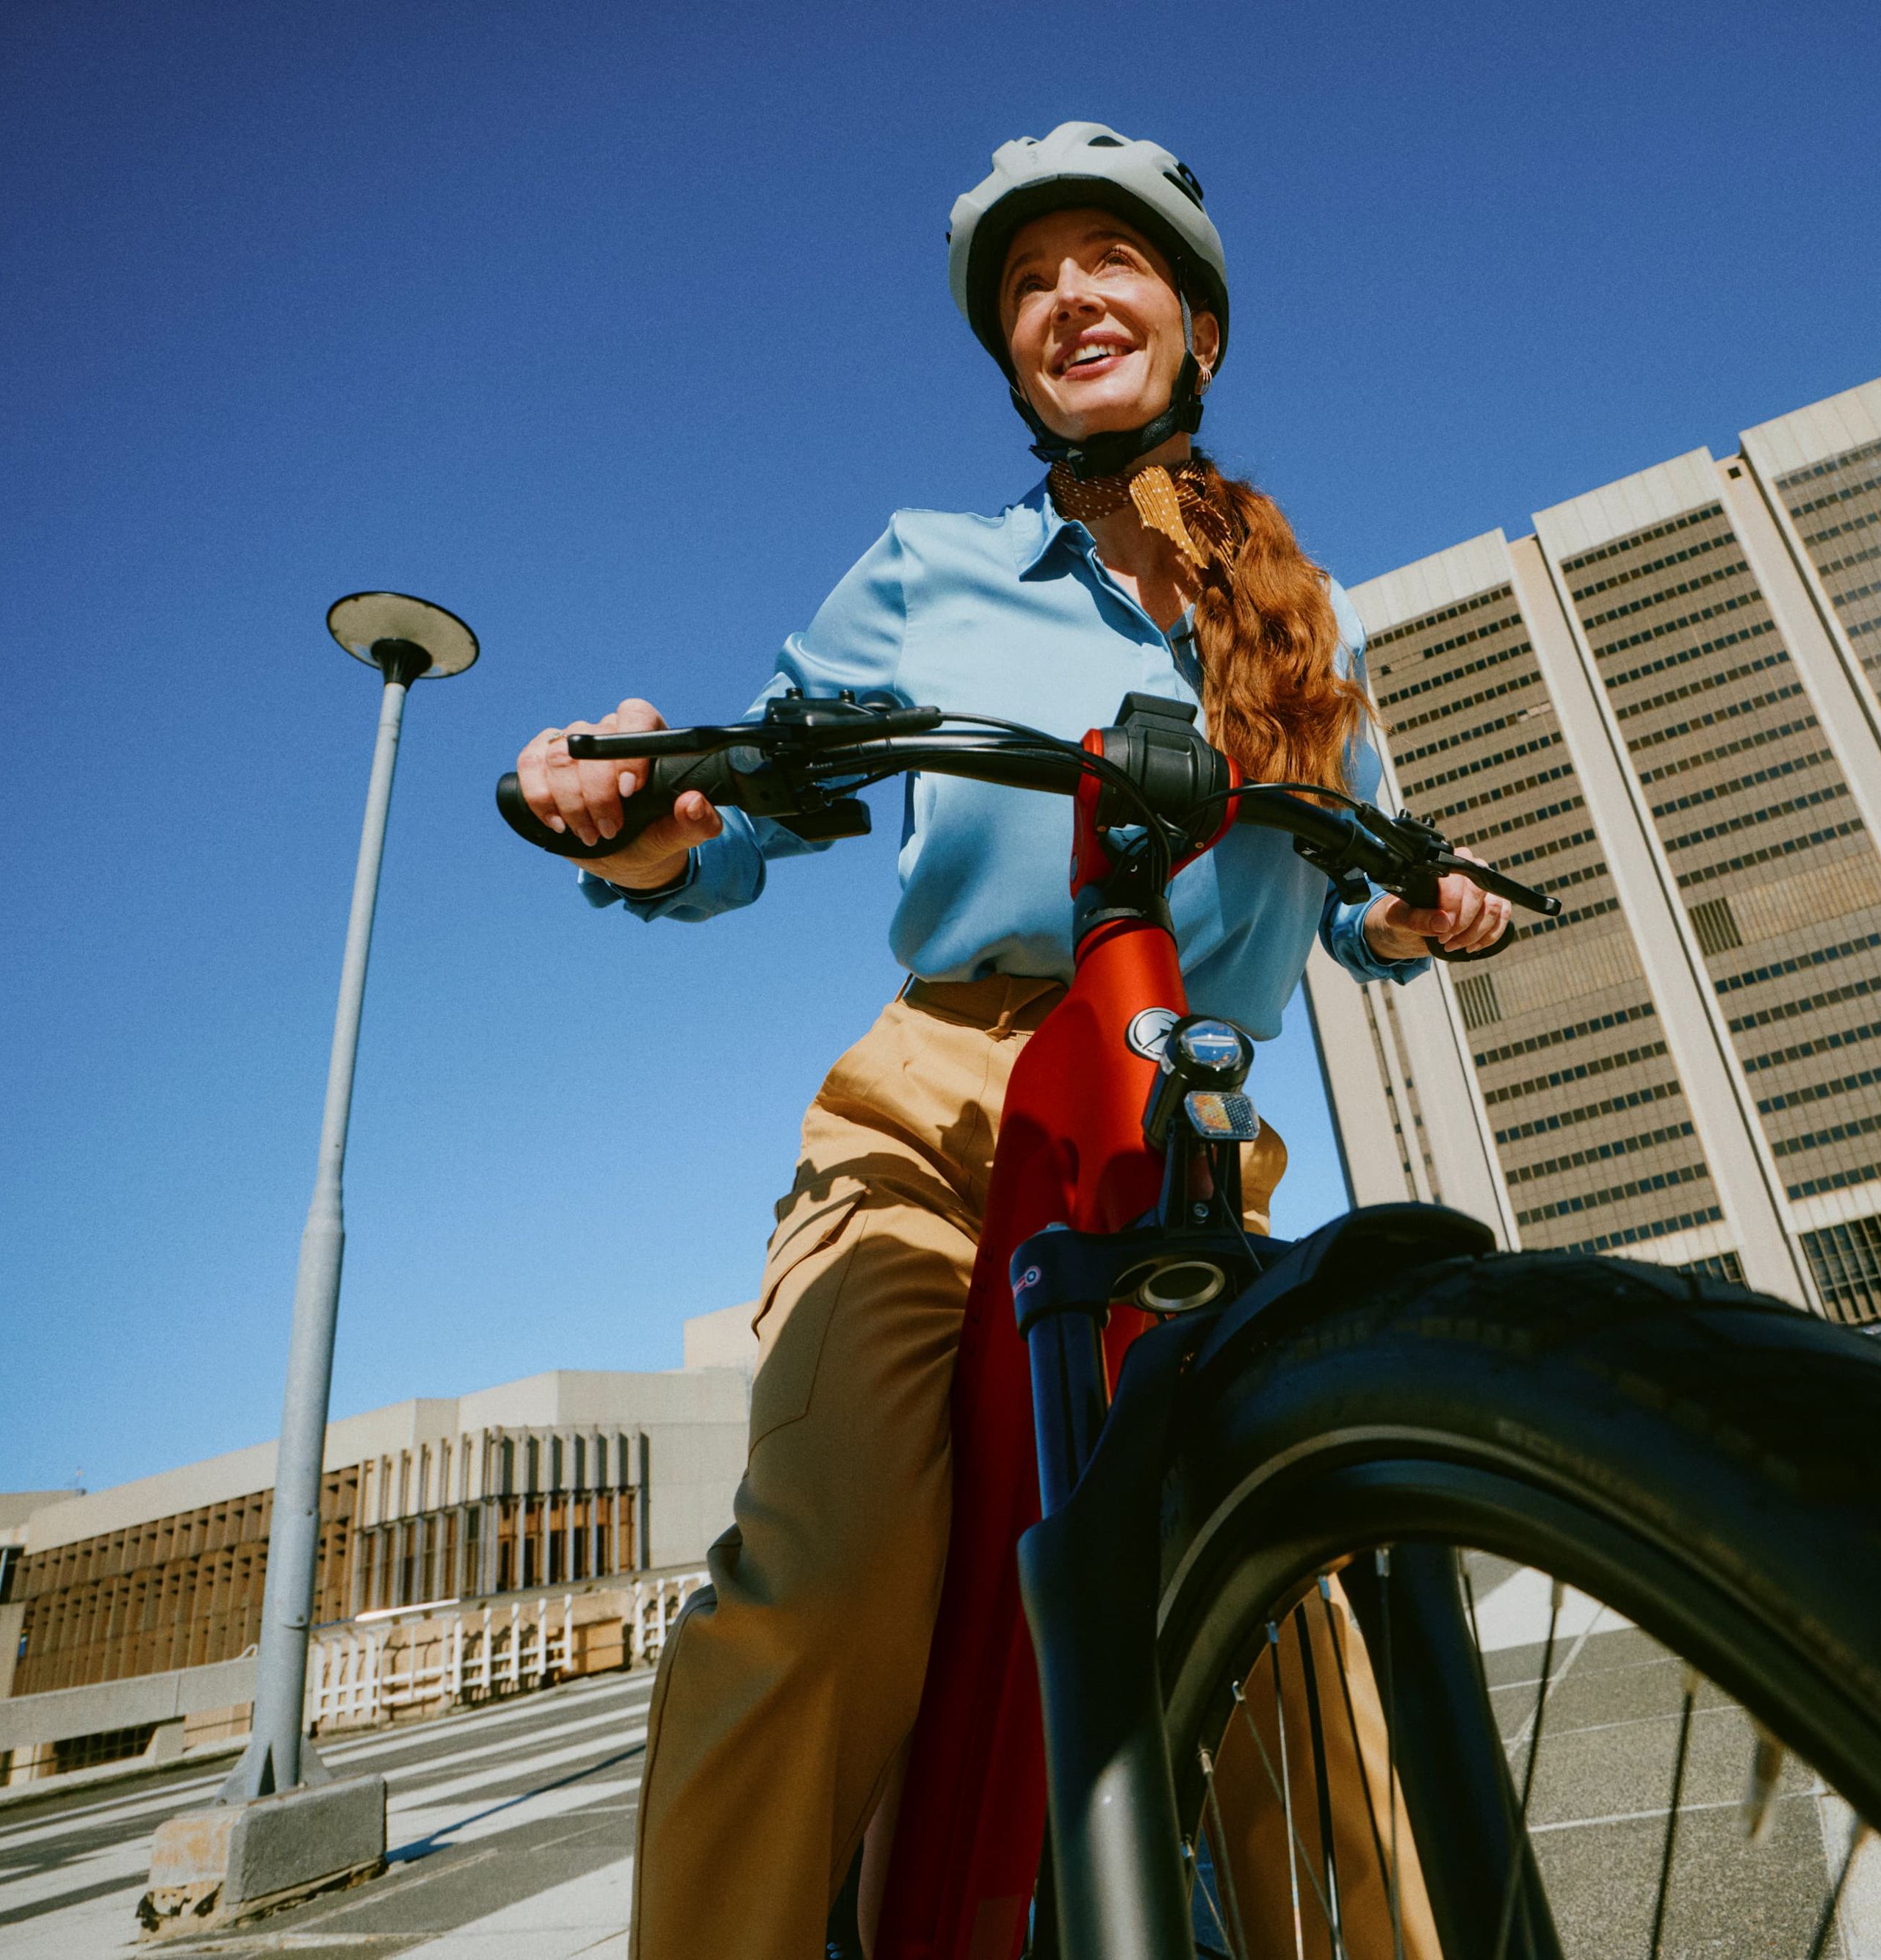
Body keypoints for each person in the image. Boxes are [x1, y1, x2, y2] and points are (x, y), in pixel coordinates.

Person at [508, 123, 1508, 1959]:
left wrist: (1404, 914)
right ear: (1015, 360)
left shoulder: (1306, 617)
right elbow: (756, 801)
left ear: (1196, 325)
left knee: (1281, 1630)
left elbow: (1350, 879)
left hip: (1183, 1129)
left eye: (1107, 260)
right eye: (1029, 283)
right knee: (828, 1582)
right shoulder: (929, 568)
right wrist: (644, 823)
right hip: (937, 1115)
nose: (1067, 298)